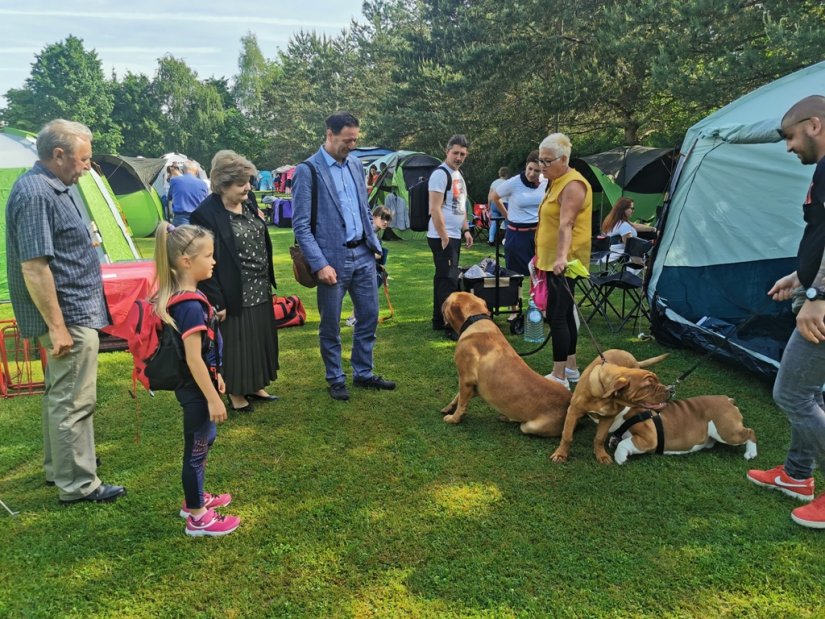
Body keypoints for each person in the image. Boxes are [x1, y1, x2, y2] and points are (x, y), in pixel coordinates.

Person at [5, 119, 125, 504]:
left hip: (74, 310)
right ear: (59, 156)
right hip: (68, 316)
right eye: (83, 158)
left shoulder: (51, 186)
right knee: (74, 399)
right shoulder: (38, 193)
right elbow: (34, 267)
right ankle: (77, 483)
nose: (88, 166)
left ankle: (61, 468)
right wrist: (57, 327)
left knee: (62, 394)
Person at [747, 95, 825, 529]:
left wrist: (817, 295)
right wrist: (799, 277)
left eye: (791, 136)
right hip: (814, 288)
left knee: (791, 394)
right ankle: (797, 476)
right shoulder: (822, 170)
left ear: (814, 125)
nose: (789, 146)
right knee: (809, 393)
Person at [292, 111, 396, 401]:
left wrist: (373, 246)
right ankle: (335, 378)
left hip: (362, 254)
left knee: (369, 316)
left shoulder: (354, 165)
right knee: (330, 325)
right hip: (331, 262)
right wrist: (319, 263)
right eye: (346, 141)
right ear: (329, 134)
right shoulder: (307, 170)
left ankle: (363, 373)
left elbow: (364, 209)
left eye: (355, 140)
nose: (351, 146)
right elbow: (300, 225)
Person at [152, 223, 240, 537]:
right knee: (197, 449)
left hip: (199, 386)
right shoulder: (189, 305)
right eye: (208, 255)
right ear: (186, 262)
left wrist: (216, 381)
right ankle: (197, 516)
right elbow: (193, 358)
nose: (213, 261)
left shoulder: (191, 294)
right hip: (194, 390)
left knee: (205, 439)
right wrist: (213, 398)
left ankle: (196, 498)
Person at [190, 151, 279, 413]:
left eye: (248, 182)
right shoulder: (205, 214)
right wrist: (217, 300)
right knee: (236, 343)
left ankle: (256, 384)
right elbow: (204, 262)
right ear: (222, 184)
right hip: (231, 289)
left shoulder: (249, 200)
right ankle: (236, 392)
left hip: (259, 284)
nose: (248, 188)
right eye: (241, 184)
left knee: (258, 337)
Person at [535, 132, 592, 389]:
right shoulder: (555, 181)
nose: (542, 166)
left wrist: (560, 258)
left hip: (565, 263)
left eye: (547, 161)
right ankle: (570, 368)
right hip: (550, 259)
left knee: (557, 317)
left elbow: (567, 223)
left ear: (564, 159)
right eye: (540, 160)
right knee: (566, 315)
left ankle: (558, 376)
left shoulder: (573, 184)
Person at [428, 134, 473, 341]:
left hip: (454, 235)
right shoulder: (440, 174)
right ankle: (450, 325)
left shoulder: (459, 175)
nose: (459, 157)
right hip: (442, 236)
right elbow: (435, 209)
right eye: (455, 153)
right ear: (447, 152)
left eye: (462, 154)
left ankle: (438, 320)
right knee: (449, 280)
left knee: (443, 278)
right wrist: (444, 236)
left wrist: (466, 230)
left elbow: (460, 206)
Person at [488, 152, 545, 276]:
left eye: (537, 171)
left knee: (539, 276)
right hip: (517, 235)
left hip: (537, 234)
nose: (532, 173)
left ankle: (536, 296)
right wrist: (507, 215)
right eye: (530, 169)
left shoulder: (545, 182)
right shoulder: (514, 182)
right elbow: (494, 197)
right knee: (515, 277)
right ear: (525, 165)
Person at [345, 205, 393, 327]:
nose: (385, 222)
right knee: (362, 293)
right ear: (374, 217)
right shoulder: (368, 230)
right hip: (359, 266)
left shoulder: (375, 232)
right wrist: (376, 254)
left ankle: (360, 317)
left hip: (368, 266)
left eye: (388, 219)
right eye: (382, 219)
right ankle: (353, 318)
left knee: (366, 293)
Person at [168, 160, 208, 226]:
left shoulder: (174, 181)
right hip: (198, 220)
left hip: (180, 219)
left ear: (182, 170)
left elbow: (169, 197)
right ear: (196, 171)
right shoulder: (203, 184)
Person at [487, 166, 510, 246]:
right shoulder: (508, 182)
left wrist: (489, 205)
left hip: (494, 204)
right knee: (508, 222)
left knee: (494, 223)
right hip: (504, 204)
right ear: (507, 174)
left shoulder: (494, 182)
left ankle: (491, 240)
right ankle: (506, 240)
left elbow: (489, 195)